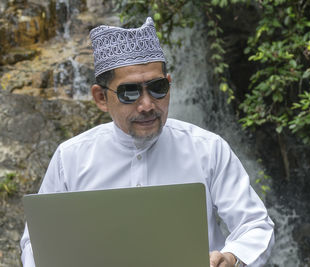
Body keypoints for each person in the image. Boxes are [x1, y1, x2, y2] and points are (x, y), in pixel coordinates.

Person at [20, 17, 274, 267]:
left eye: (157, 87)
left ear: (169, 84)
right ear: (100, 97)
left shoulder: (208, 149)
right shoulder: (71, 158)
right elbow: (36, 243)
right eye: (129, 92)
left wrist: (232, 258)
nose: (147, 105)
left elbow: (255, 225)